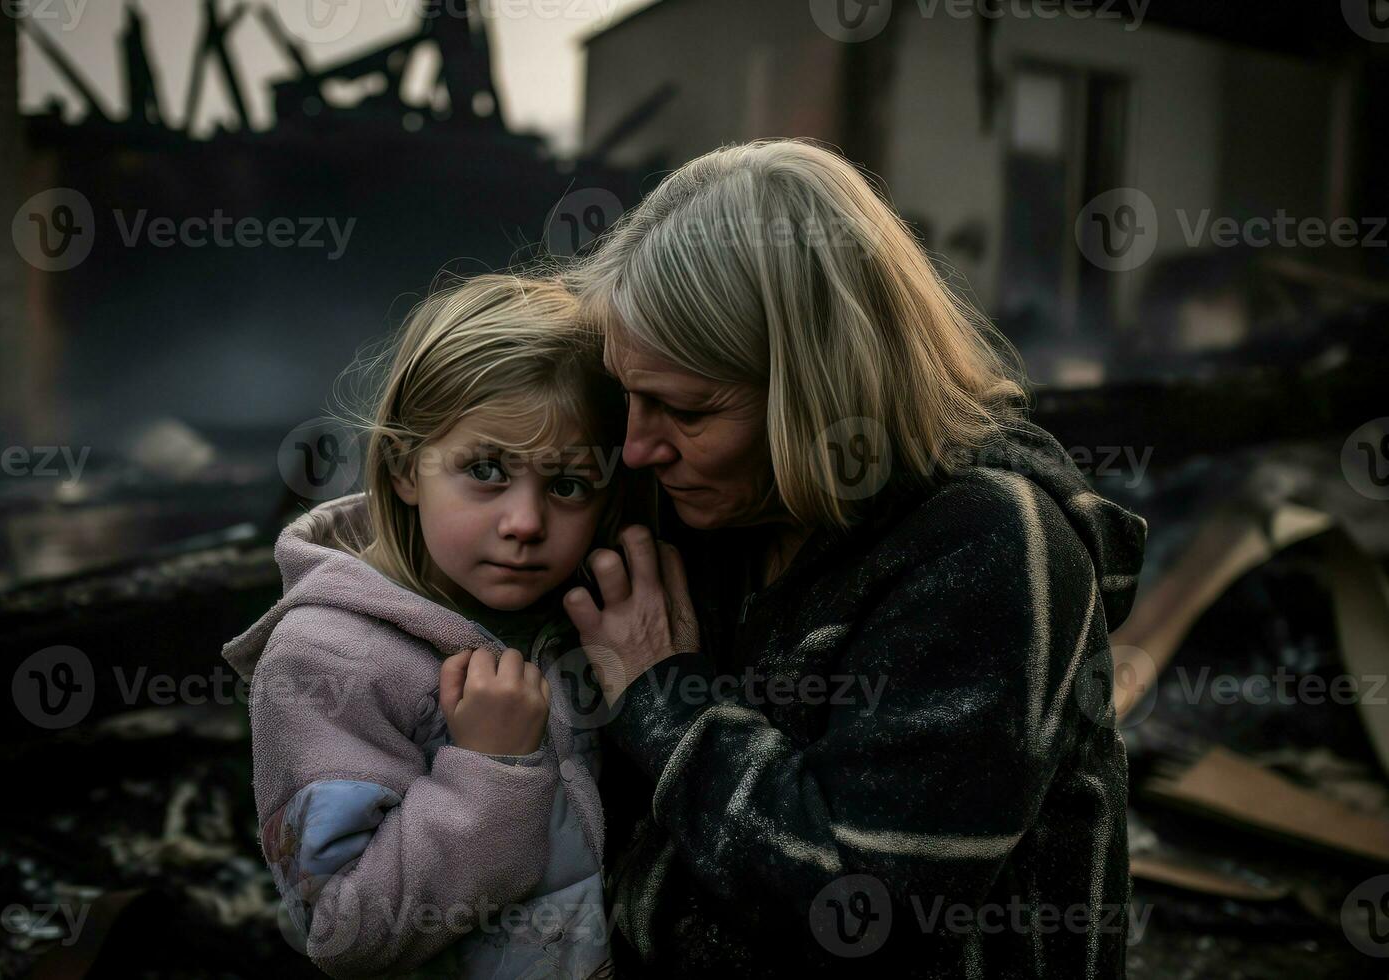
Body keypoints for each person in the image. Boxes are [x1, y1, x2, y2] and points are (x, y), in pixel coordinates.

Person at [562, 139, 1148, 977]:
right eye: (628, 397)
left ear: (819, 387)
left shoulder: (989, 548)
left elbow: (866, 916)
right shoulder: (724, 506)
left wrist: (662, 695)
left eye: (685, 409)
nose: (639, 447)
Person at [223, 275, 627, 978]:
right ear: (406, 466)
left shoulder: (581, 618)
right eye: (486, 470)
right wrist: (490, 773)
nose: (526, 523)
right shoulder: (328, 659)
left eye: (567, 485)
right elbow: (347, 932)